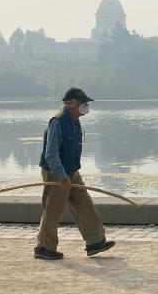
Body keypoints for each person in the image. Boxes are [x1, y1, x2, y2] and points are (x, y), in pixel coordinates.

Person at [34, 87, 115, 260]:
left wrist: (70, 173)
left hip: (71, 170)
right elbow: (51, 154)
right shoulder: (57, 122)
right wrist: (62, 176)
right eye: (83, 103)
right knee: (53, 209)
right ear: (70, 104)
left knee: (84, 202)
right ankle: (43, 247)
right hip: (56, 172)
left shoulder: (74, 120)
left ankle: (95, 242)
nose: (86, 107)